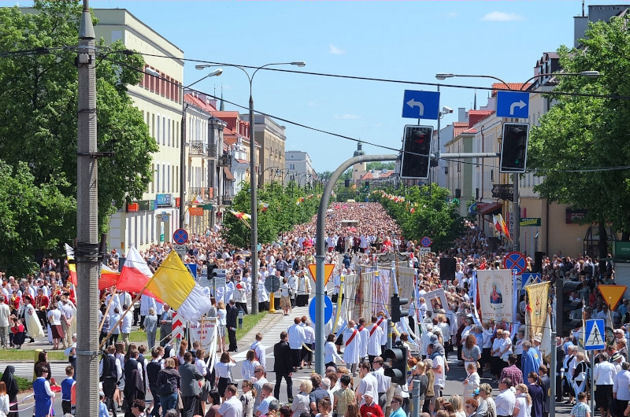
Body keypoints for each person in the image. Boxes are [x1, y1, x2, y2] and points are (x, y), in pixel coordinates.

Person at [180, 351, 204, 417]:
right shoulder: (193, 367)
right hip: (192, 390)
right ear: (191, 358)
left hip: (184, 390)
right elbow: (200, 376)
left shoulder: (180, 367)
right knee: (190, 409)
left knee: (185, 408)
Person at [273, 331, 293, 402]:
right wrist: (290, 370)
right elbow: (289, 359)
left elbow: (276, 355)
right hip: (286, 368)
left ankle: (276, 398)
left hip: (278, 367)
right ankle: (290, 399)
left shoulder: (276, 346)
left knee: (277, 384)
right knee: (289, 383)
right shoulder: (287, 346)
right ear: (286, 337)